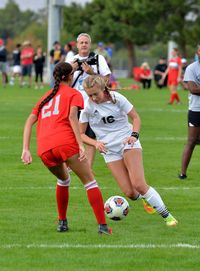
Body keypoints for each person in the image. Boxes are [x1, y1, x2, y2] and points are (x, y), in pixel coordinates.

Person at [21, 62, 111, 235]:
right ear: (70, 77)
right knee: (90, 182)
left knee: (63, 180)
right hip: (65, 143)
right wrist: (80, 145)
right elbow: (71, 117)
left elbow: (29, 121)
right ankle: (103, 227)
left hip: (45, 148)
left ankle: (62, 222)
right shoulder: (73, 93)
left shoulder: (45, 96)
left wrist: (26, 149)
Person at [79, 75, 178, 227]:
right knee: (130, 193)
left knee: (139, 184)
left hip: (127, 141)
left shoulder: (117, 98)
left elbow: (136, 118)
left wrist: (134, 135)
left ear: (103, 89)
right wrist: (95, 143)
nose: (93, 98)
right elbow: (81, 134)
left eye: (95, 94)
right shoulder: (87, 106)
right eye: (89, 94)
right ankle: (146, 199)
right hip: (109, 150)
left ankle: (167, 216)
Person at [67, 33, 111, 167]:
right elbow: (64, 83)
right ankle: (70, 164)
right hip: (75, 103)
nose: (84, 45)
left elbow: (106, 80)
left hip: (92, 104)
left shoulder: (98, 59)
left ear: (90, 44)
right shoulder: (72, 60)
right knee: (71, 135)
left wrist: (92, 72)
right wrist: (71, 70)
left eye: (86, 42)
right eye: (81, 42)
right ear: (77, 45)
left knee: (90, 137)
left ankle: (88, 167)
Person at [178, 43, 200, 180]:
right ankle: (183, 173)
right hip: (196, 110)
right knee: (191, 141)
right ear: (197, 53)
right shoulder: (192, 68)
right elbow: (193, 89)